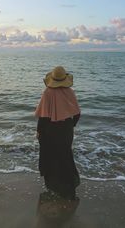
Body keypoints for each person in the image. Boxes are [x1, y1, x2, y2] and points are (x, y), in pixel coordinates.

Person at [35, 66, 81, 200]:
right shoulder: (70, 92)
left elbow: (43, 117)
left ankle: (54, 187)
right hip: (66, 130)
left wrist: (39, 131)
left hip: (50, 130)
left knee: (50, 157)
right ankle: (69, 186)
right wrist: (70, 125)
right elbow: (77, 114)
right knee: (65, 156)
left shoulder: (48, 92)